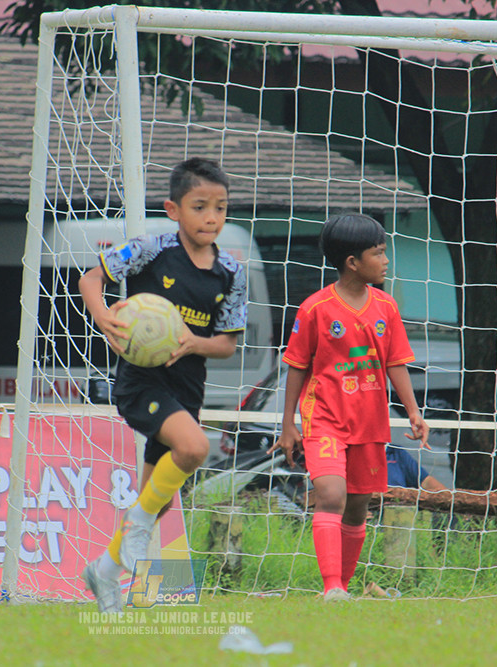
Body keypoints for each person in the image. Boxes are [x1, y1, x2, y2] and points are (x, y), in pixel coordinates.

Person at [77, 158, 247, 612]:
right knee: (193, 448)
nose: (211, 217)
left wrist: (194, 342)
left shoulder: (231, 271)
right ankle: (133, 530)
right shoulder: (150, 248)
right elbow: (91, 278)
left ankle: (105, 573)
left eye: (220, 207)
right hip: (142, 383)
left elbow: (227, 345)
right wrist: (103, 316)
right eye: (199, 206)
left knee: (160, 504)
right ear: (174, 209)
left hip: (186, 389)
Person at [270, 213, 428, 601]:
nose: (386, 260)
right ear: (353, 263)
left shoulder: (386, 307)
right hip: (324, 418)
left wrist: (412, 410)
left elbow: (395, 363)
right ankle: (332, 588)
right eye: (378, 253)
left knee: (358, 508)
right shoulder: (315, 309)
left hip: (370, 422)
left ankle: (342, 585)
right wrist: (289, 423)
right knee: (330, 496)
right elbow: (296, 365)